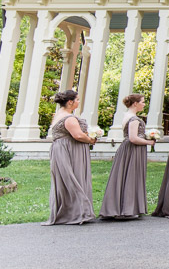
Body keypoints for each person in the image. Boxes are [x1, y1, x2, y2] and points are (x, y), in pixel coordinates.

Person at [42, 89, 97, 226]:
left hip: (64, 148)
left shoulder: (59, 115)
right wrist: (90, 140)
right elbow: (77, 135)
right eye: (77, 100)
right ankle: (76, 212)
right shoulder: (69, 117)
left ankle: (72, 211)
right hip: (69, 150)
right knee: (73, 178)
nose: (79, 102)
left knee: (68, 179)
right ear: (70, 102)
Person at [100, 94, 155, 219]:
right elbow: (133, 138)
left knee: (125, 176)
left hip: (130, 149)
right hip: (132, 150)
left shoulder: (128, 116)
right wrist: (149, 142)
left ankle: (125, 207)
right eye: (142, 102)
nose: (144, 104)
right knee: (130, 176)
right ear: (135, 103)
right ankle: (126, 209)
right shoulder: (134, 119)